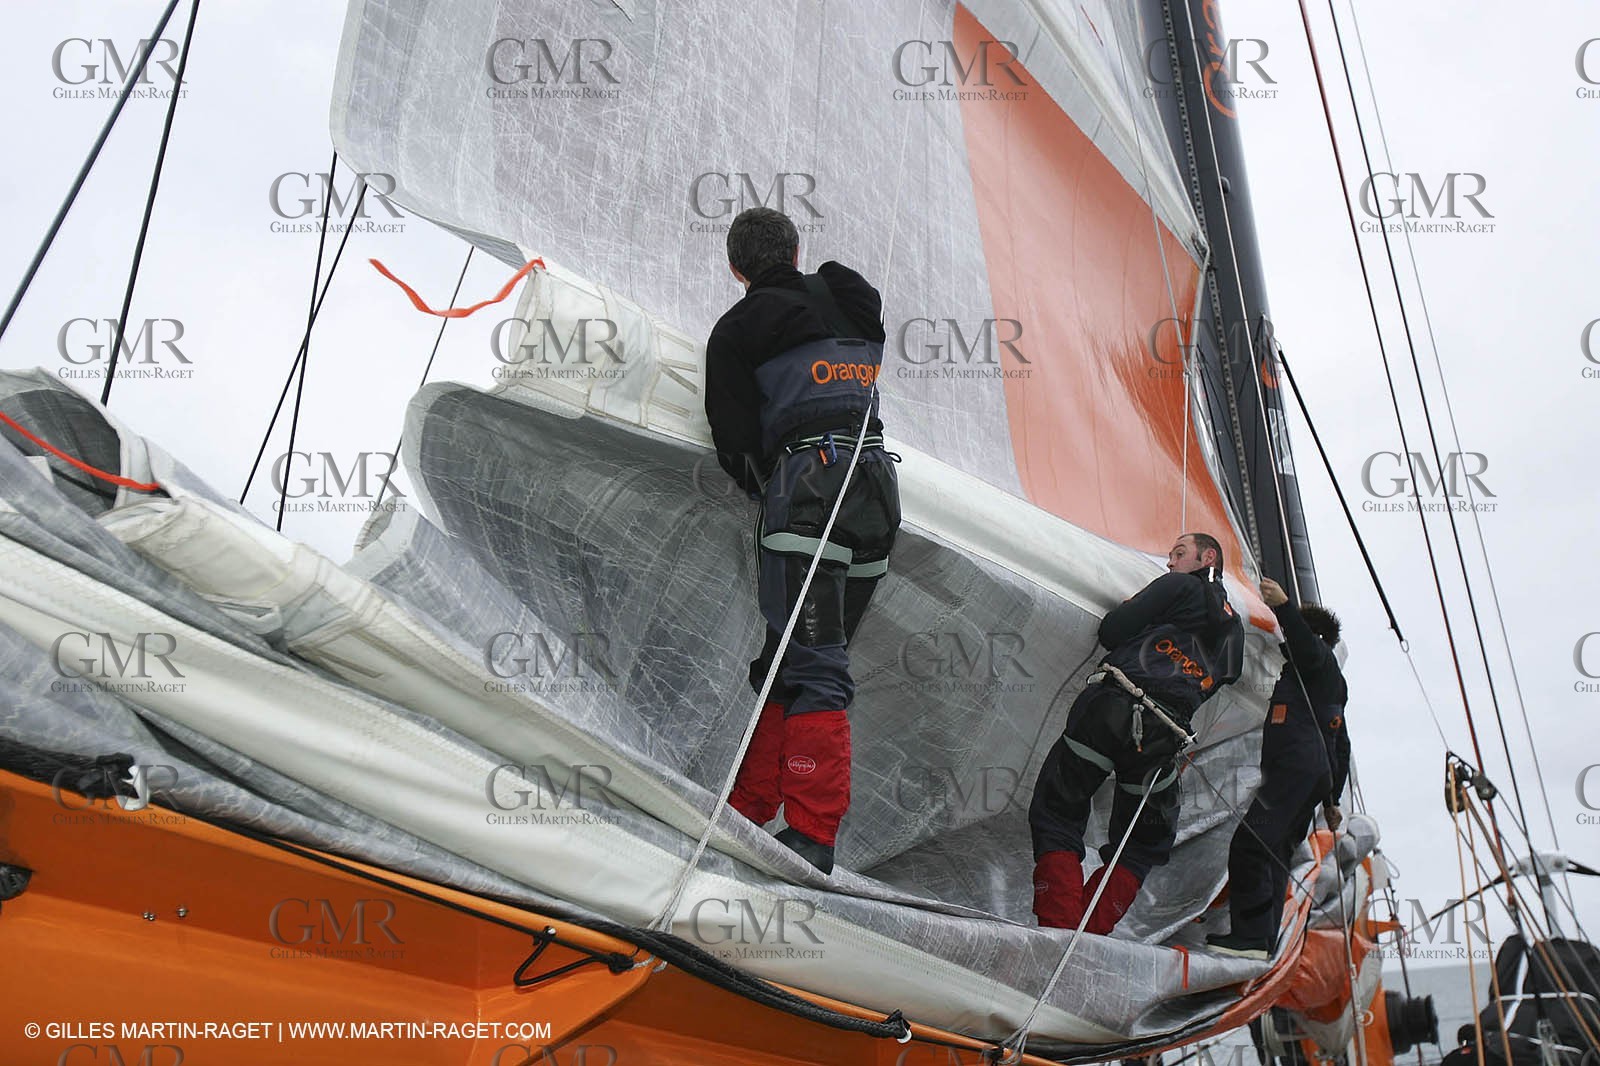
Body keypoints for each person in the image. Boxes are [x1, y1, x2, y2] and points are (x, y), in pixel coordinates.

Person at [703, 206, 900, 874]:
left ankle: (812, 834)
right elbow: (858, 322)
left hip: (809, 494)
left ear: (737, 270)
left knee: (812, 664)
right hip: (875, 490)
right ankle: (751, 810)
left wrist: (771, 485)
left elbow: (734, 444)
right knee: (794, 658)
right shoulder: (852, 296)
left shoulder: (737, 328)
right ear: (794, 252)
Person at [1029, 533, 1245, 933]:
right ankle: (1087, 935)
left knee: (1059, 810)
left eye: (1178, 553)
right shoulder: (1236, 629)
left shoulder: (1179, 585)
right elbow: (1222, 677)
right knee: (1143, 843)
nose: (1169, 563)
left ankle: (1057, 928)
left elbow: (1113, 630)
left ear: (1207, 556)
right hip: (1162, 739)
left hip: (1111, 709)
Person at [1207, 577, 1348, 959]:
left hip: (1294, 770)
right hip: (1311, 775)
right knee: (1275, 852)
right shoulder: (1328, 682)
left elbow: (1305, 646)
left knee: (1251, 844)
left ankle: (1252, 937)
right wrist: (1332, 799)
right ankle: (1262, 939)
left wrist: (1284, 607)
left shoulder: (1317, 658)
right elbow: (1340, 742)